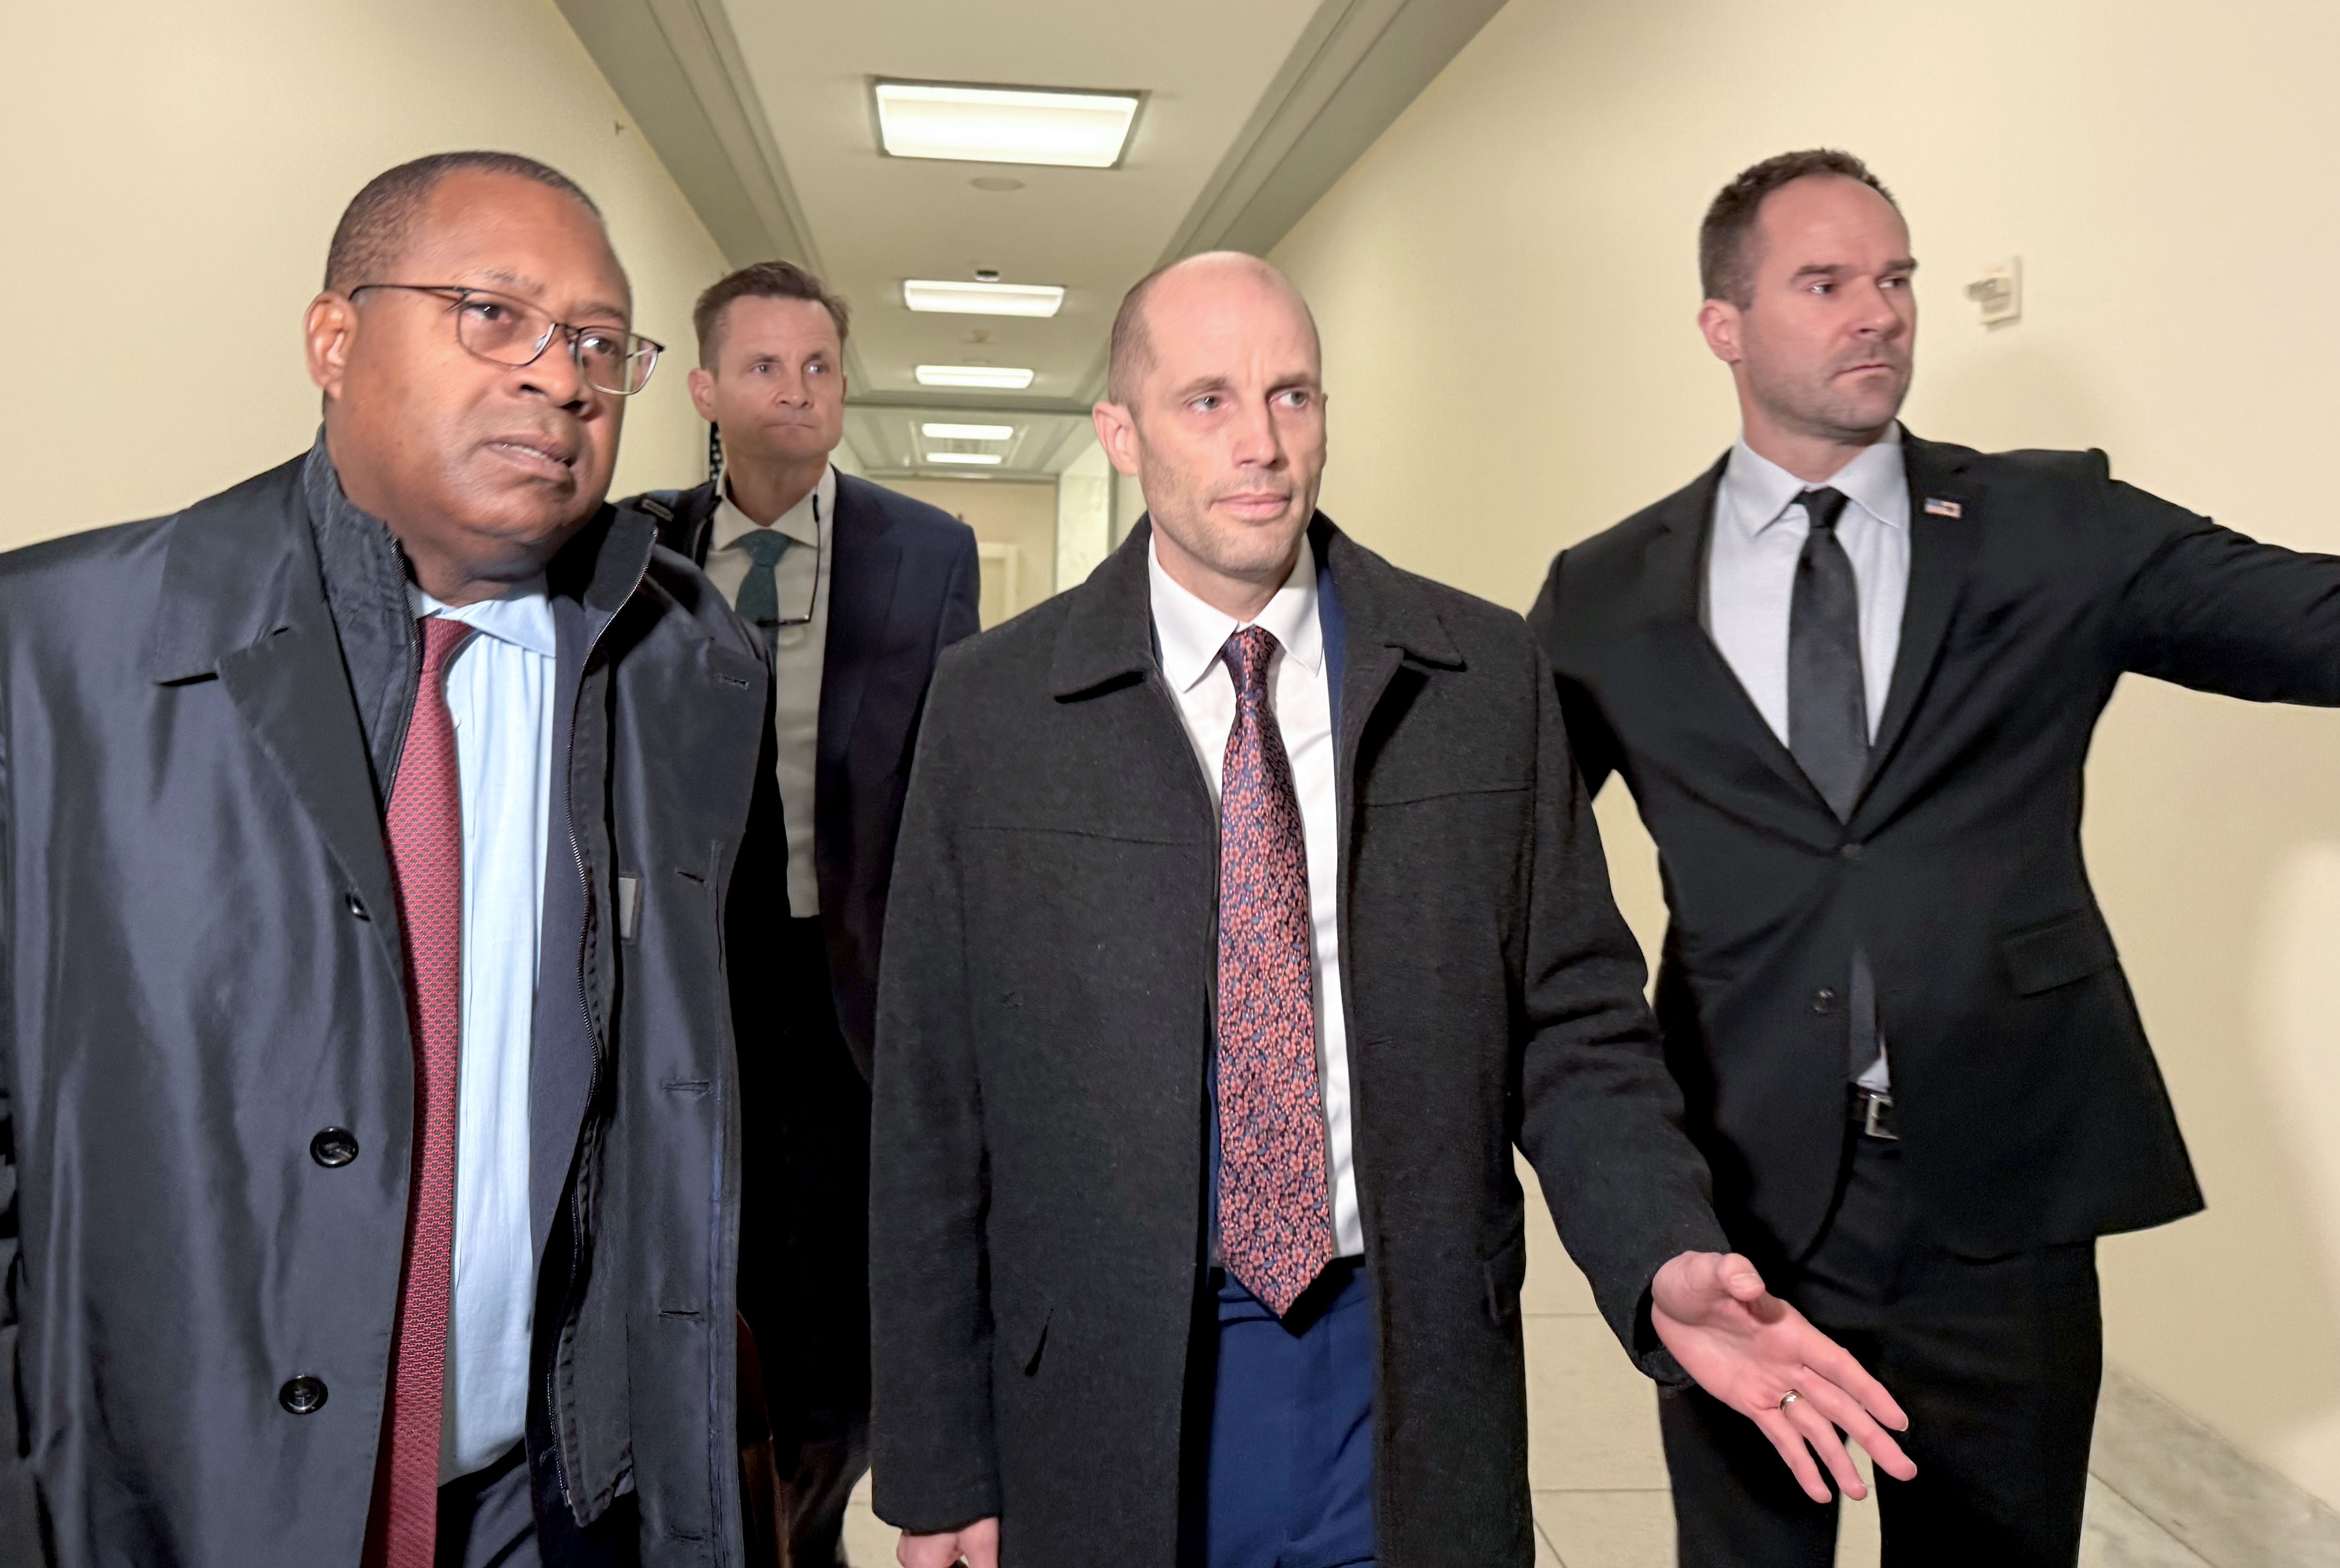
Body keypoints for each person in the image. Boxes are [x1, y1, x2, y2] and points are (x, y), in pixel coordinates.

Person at [868, 251, 1914, 1568]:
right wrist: (938, 1462)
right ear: (1121, 435)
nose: (1261, 444)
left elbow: (1576, 1026)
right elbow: (930, 1104)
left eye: (1293, 394)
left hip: (1407, 1368)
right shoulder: (995, 711)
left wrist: (1664, 1250)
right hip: (1109, 1385)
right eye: (1207, 402)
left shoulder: (1481, 679)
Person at [1529, 149, 2340, 1566]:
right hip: (1742, 1194)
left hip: (2001, 1192)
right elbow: (1505, 859)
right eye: (1827, 282)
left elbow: (2312, 617)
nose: (1880, 313)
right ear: (1723, 324)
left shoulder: (2050, 523)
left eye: (1896, 278)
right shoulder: (1606, 591)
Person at [0, 151, 781, 1567]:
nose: (561, 377)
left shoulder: (687, 669)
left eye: (603, 344)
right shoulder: (52, 655)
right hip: (167, 1511)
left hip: (541, 1509)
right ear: (334, 337)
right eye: (493, 313)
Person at [616, 258, 979, 1568]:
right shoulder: (632, 548)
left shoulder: (924, 551)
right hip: (686, 982)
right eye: (765, 366)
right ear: (706, 387)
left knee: (836, 1282)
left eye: (820, 366)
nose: (798, 390)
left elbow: (949, 776)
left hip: (850, 982)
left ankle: (813, 1511)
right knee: (713, 1263)